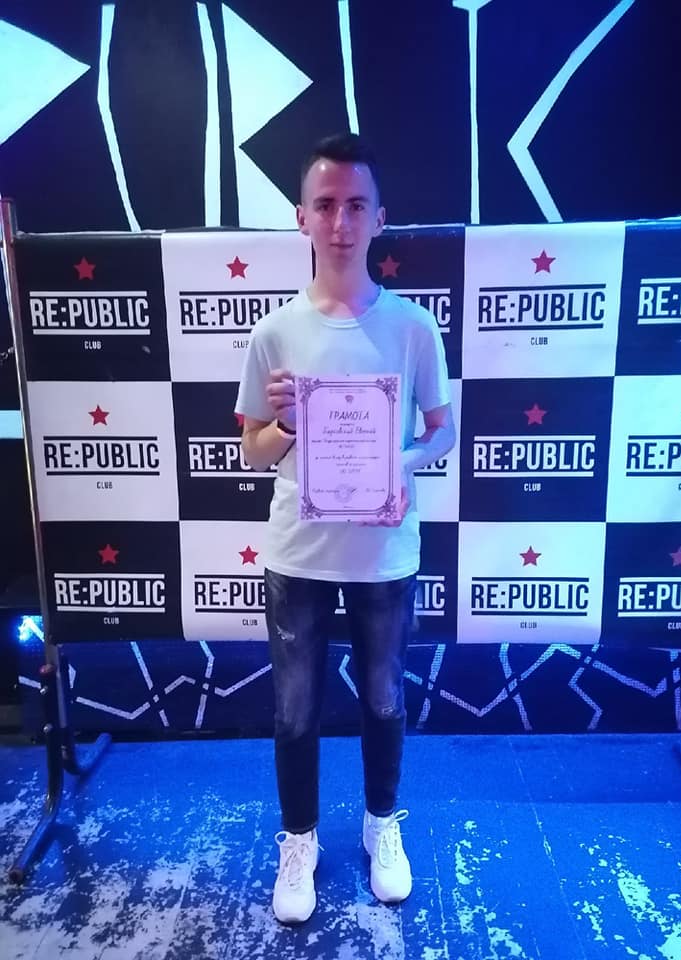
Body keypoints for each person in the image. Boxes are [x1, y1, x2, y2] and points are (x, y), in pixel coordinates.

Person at [236, 133, 455, 924]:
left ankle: (380, 824)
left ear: (379, 218)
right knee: (295, 711)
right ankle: (298, 840)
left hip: (385, 552)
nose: (340, 221)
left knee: (384, 702)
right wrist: (291, 424)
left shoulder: (413, 327)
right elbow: (254, 448)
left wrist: (400, 465)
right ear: (301, 216)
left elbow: (442, 431)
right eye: (325, 204)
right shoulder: (274, 332)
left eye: (356, 205)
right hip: (298, 553)